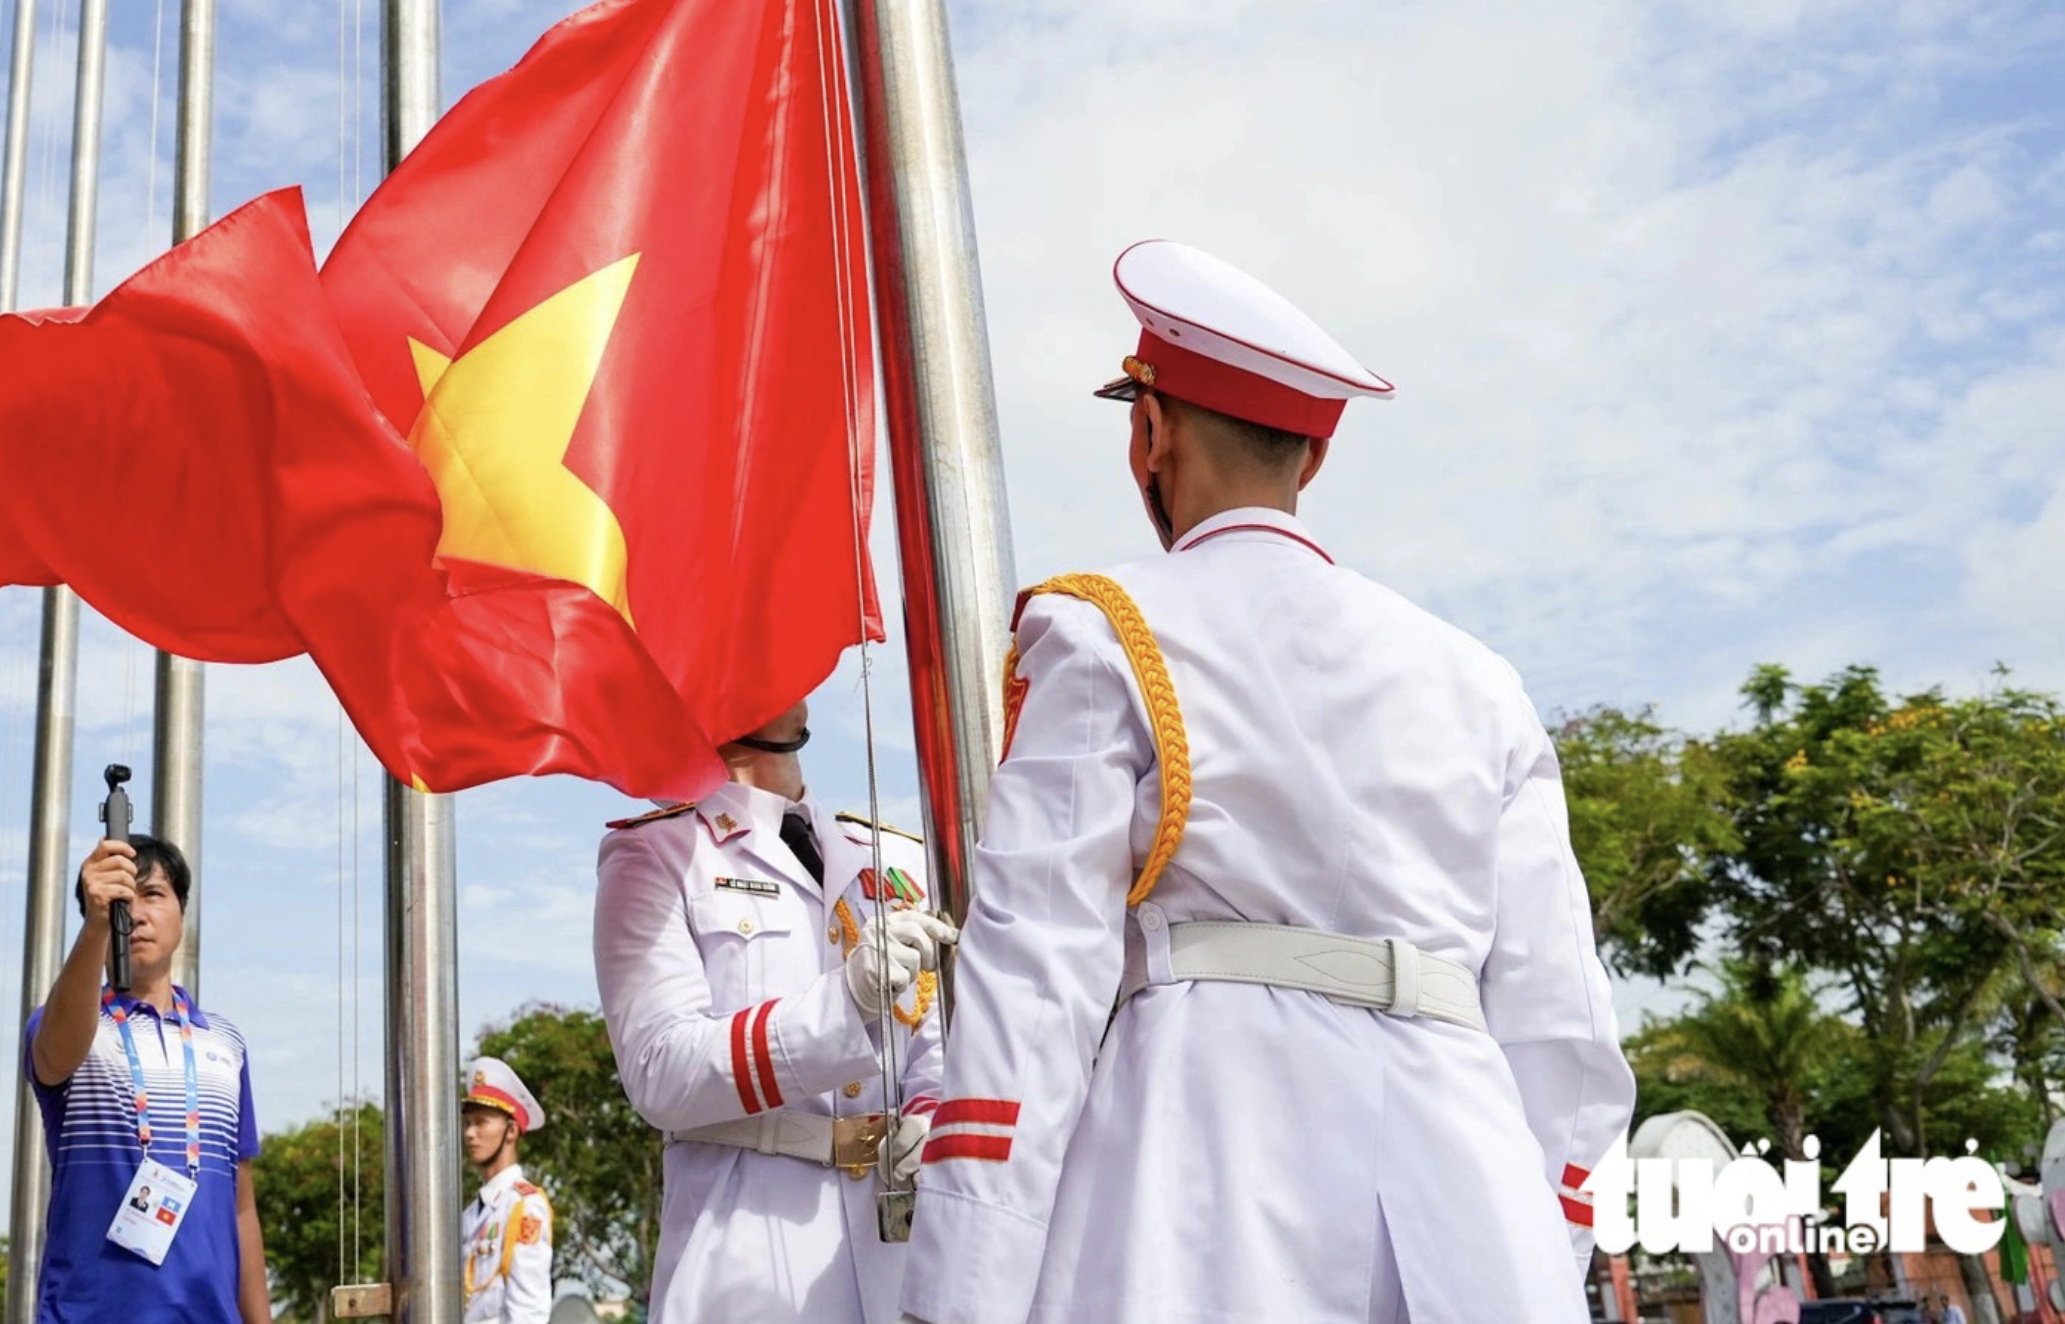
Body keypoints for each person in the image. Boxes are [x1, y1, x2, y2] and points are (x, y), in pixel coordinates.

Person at [899, 240, 1634, 1323]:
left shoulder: (1104, 629)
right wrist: (1530, 1238)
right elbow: (1563, 1024)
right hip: (1469, 1179)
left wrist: (963, 1282)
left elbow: (1033, 978)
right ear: (1312, 460)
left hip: (1204, 1168)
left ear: (1147, 432)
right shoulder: (1479, 679)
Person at [594, 699, 953, 1324]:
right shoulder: (656, 855)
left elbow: (941, 1030)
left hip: (903, 1251)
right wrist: (845, 1005)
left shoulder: (892, 855)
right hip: (749, 1253)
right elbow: (659, 1070)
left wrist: (933, 1110)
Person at [25, 833, 272, 1324]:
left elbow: (243, 1208)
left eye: (153, 895)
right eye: (121, 899)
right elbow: (52, 1056)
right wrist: (97, 927)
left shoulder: (225, 1042)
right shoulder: (67, 1022)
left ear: (182, 911)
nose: (135, 913)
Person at [460, 1057, 554, 1324]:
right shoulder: (471, 1213)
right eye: (467, 1123)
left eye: (481, 1122)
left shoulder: (523, 1206)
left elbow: (528, 1310)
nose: (470, 1133)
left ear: (511, 1131)